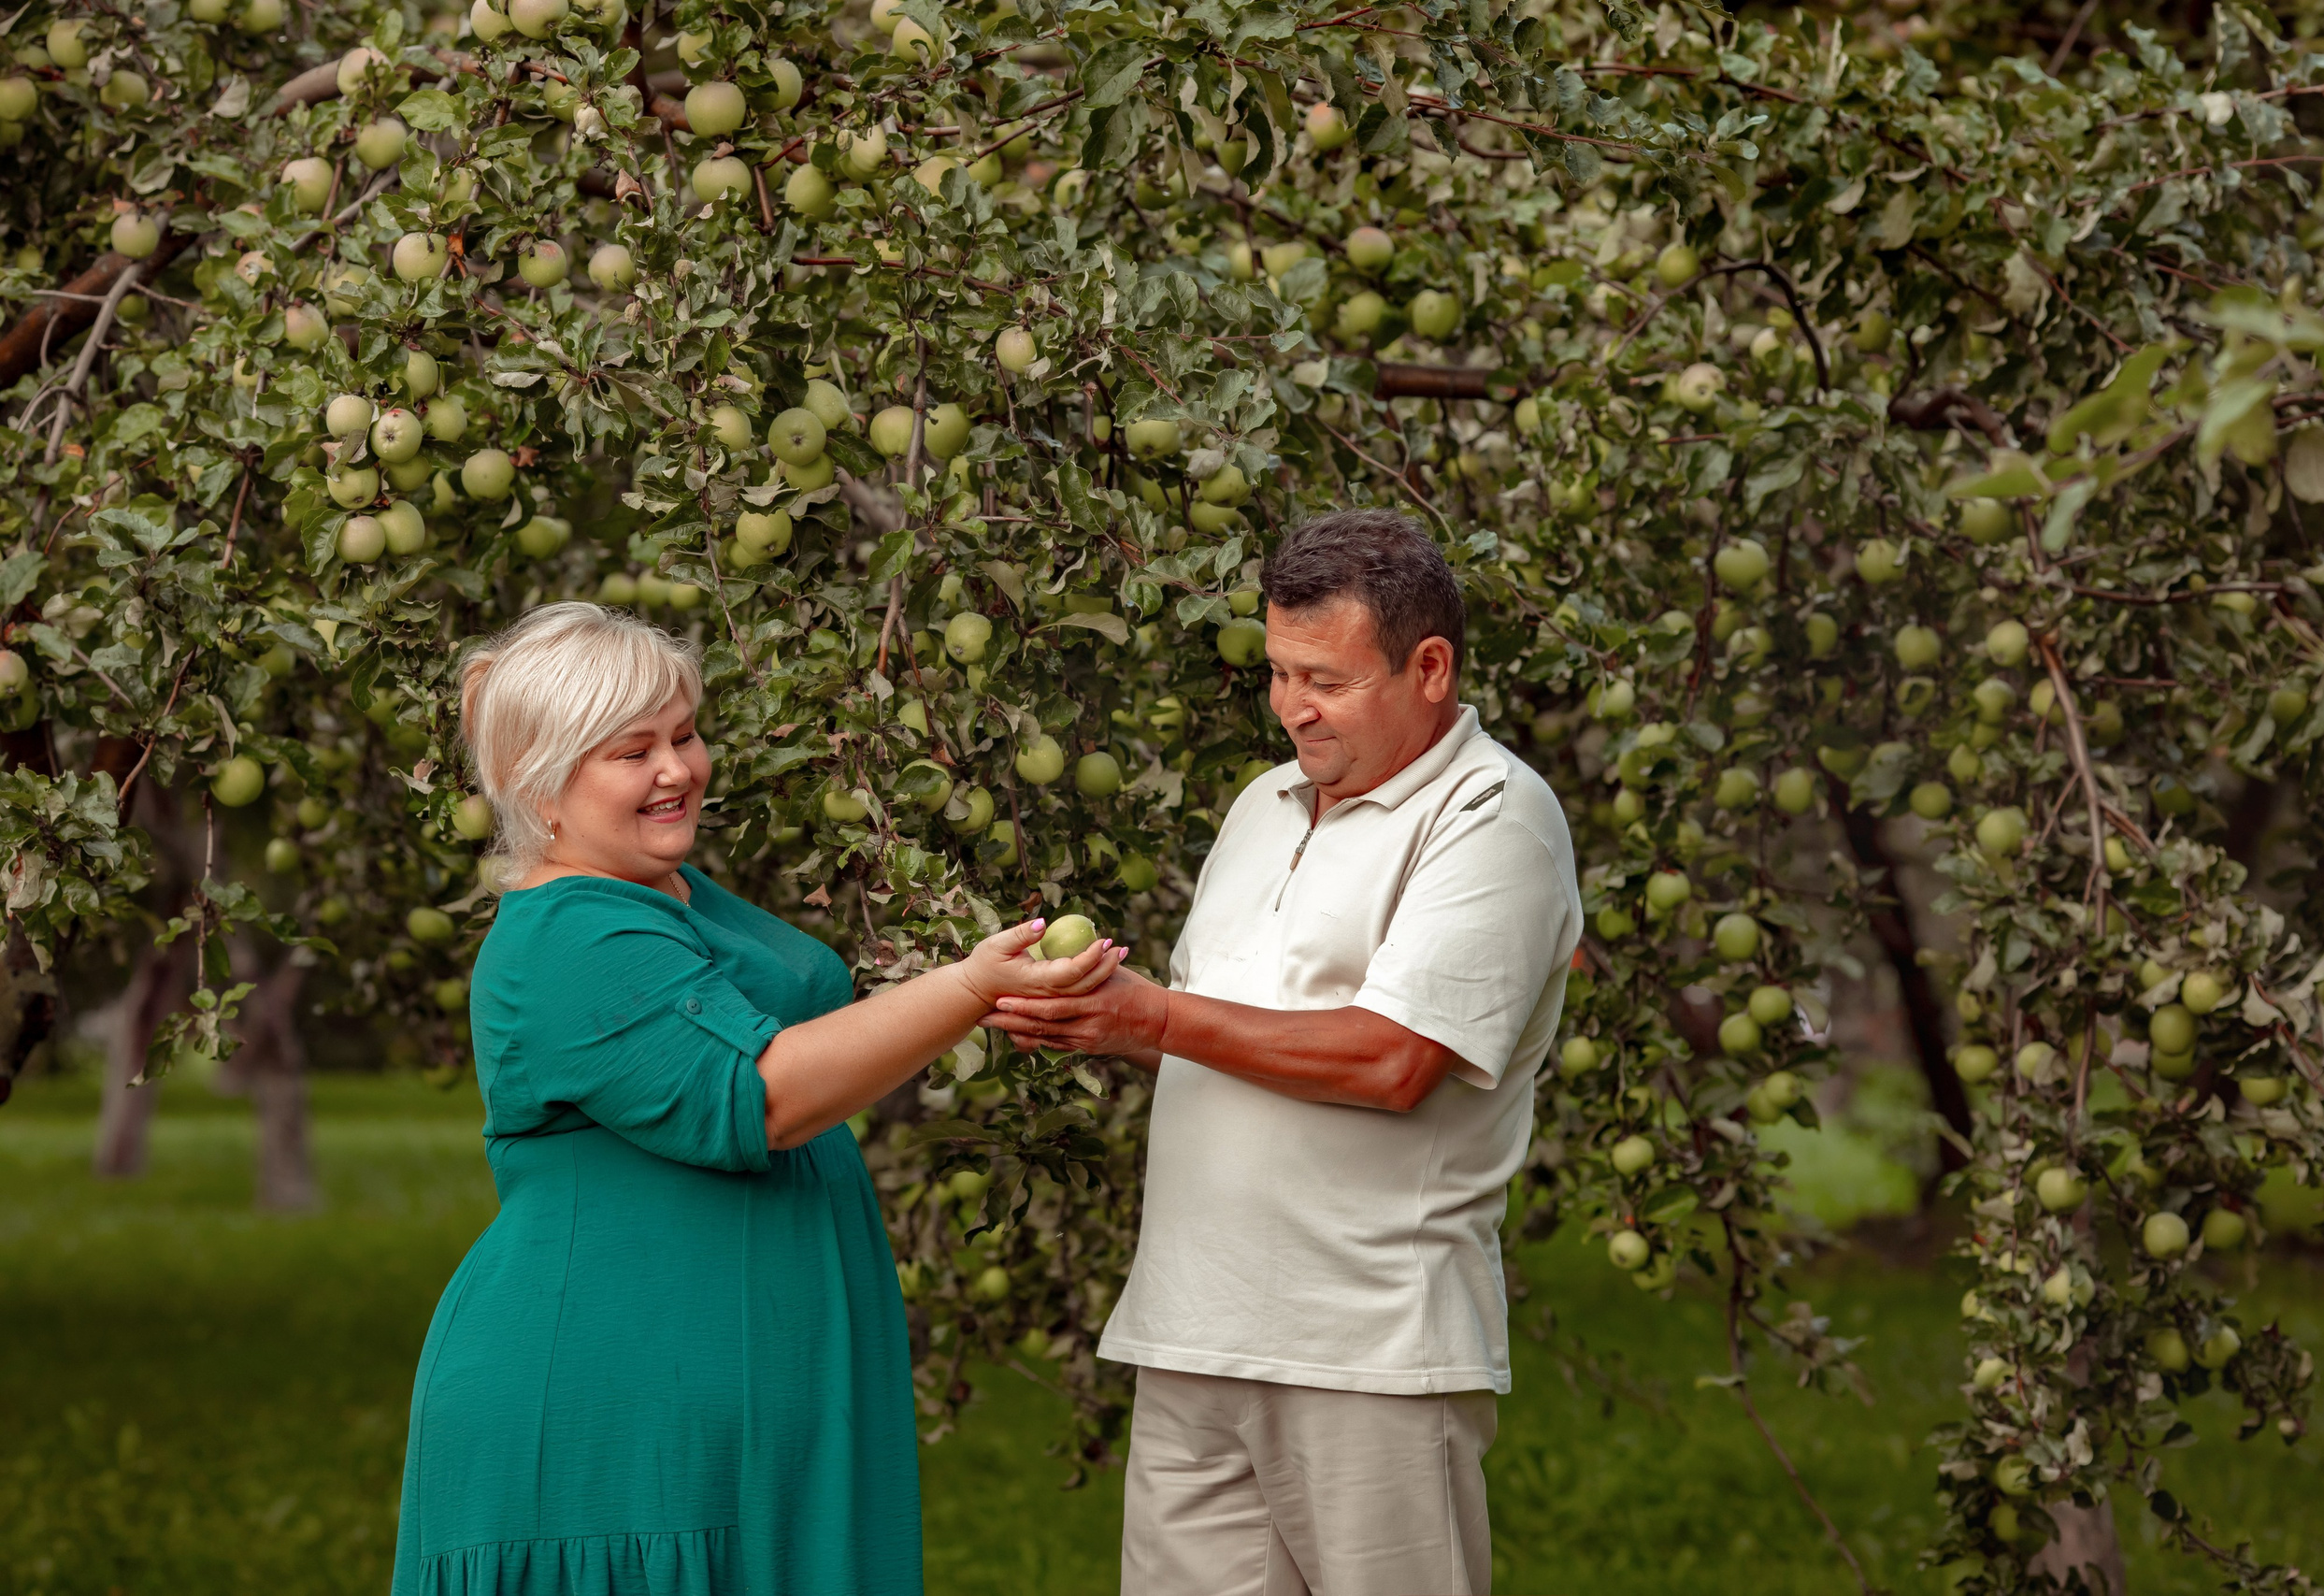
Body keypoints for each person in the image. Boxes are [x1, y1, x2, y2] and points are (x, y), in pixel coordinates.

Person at [389, 602, 1123, 1596]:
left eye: (684, 735)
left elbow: (805, 1042)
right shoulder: (569, 935)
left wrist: (975, 1002)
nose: (677, 770)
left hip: (728, 1396)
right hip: (617, 1421)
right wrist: (965, 989)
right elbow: (757, 1097)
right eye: (631, 751)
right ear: (541, 786)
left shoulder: (665, 891)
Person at [983, 509, 1583, 1596]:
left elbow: (1394, 1061)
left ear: (1430, 667)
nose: (1293, 709)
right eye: (1277, 673)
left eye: (1329, 680)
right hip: (1192, 1332)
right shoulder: (1263, 804)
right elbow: (1237, 1040)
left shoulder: (1494, 817)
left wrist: (1151, 1019)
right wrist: (1089, 1017)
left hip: (1370, 1352)